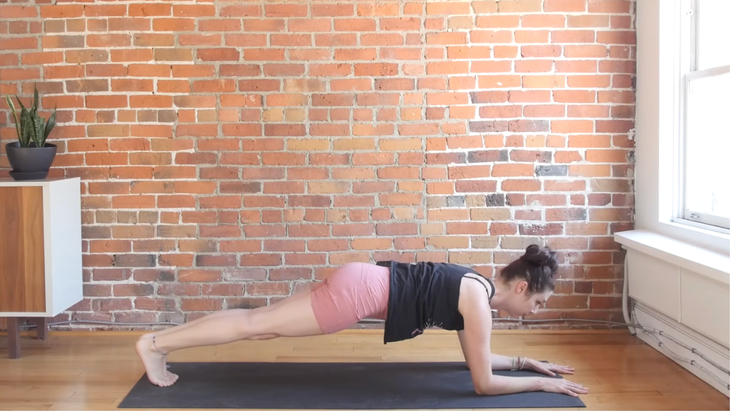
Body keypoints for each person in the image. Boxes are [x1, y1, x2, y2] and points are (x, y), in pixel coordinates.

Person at [135, 244, 589, 397]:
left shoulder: (476, 288)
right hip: (359, 293)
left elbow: (482, 359)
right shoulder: (477, 302)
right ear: (523, 288)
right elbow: (482, 382)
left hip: (360, 280)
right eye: (539, 304)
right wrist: (543, 385)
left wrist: (526, 361)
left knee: (260, 320)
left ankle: (159, 344)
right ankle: (155, 345)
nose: (535, 313)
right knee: (256, 325)